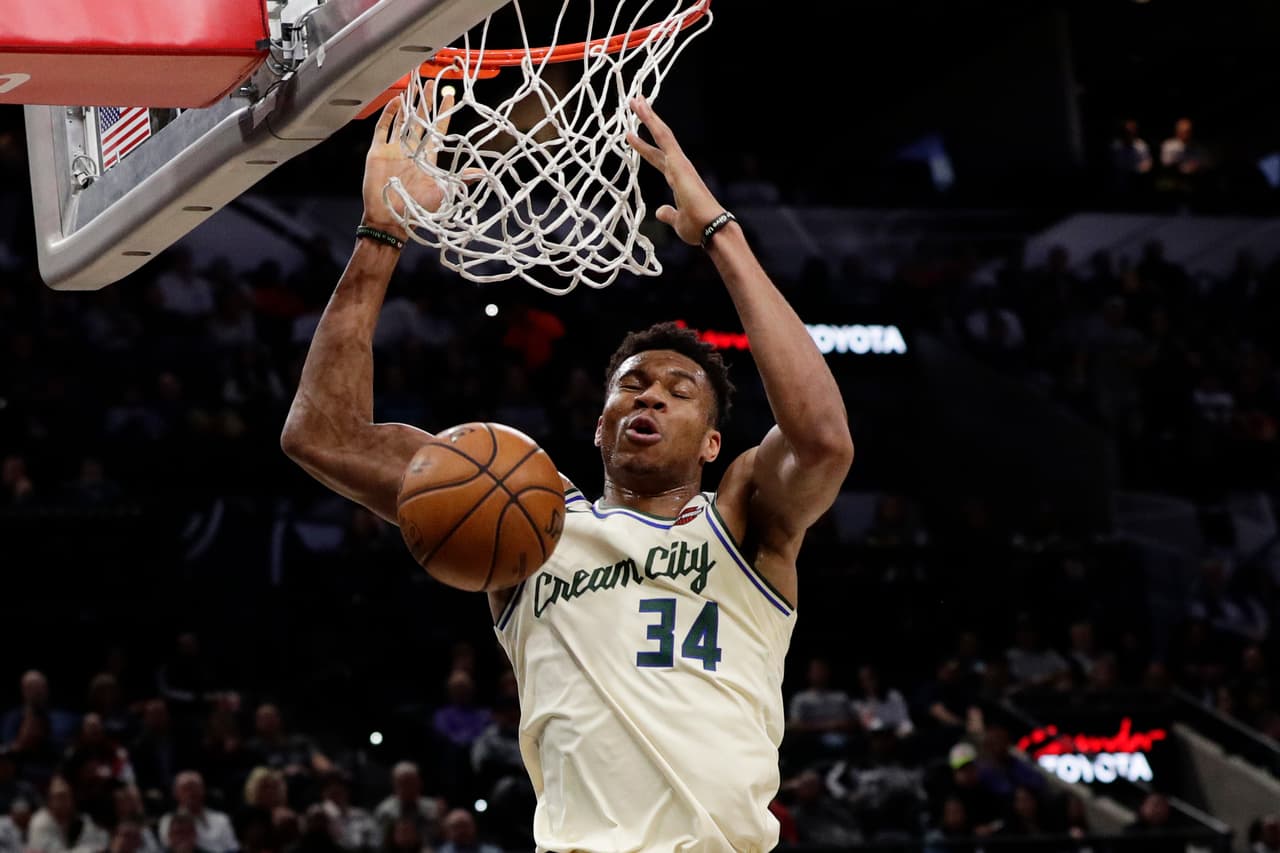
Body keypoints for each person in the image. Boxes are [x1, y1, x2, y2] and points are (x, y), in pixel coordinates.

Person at [280, 89, 854, 853]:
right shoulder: (527, 512)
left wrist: (719, 234)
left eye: (679, 392)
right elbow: (323, 434)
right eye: (632, 385)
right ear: (600, 422)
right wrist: (381, 232)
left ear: (713, 444)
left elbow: (822, 440)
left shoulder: (745, 515)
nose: (650, 393)